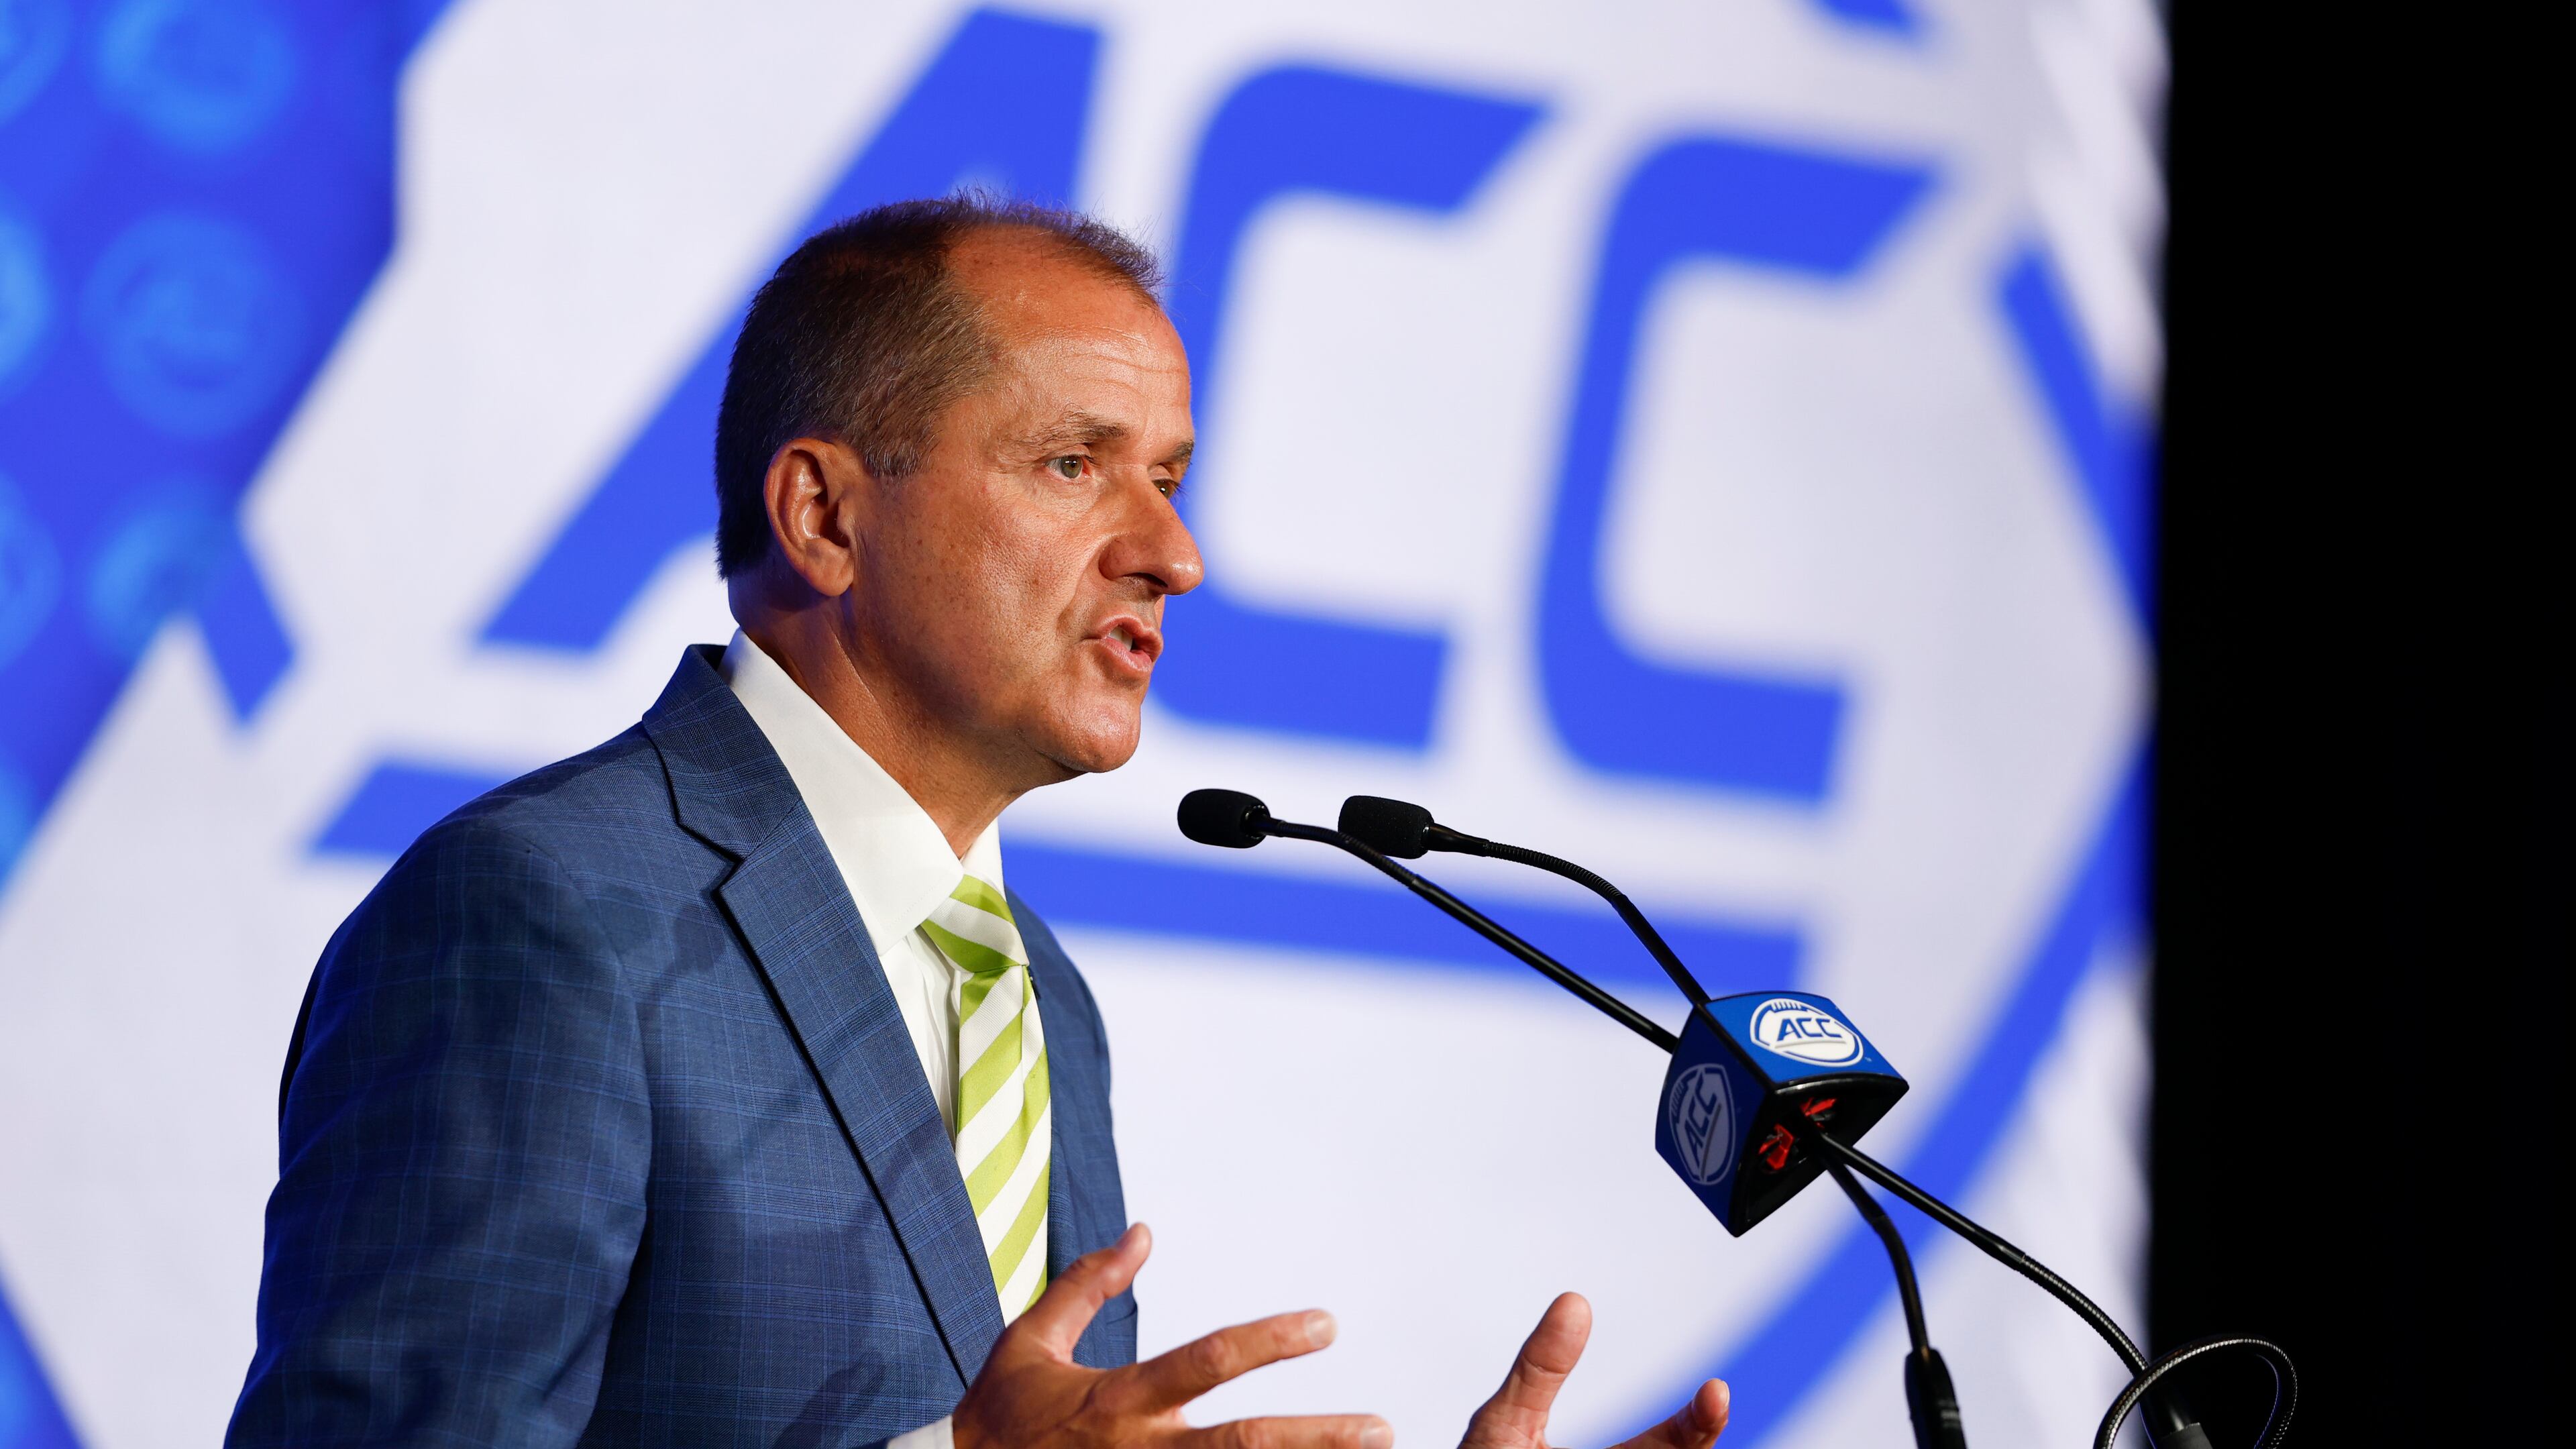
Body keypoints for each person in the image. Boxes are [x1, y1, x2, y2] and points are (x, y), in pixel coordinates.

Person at [227, 196, 1733, 1448]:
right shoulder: (543, 913)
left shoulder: (1037, 992)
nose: (1175, 555)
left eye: (1168, 480)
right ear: (825, 517)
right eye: (1075, 465)